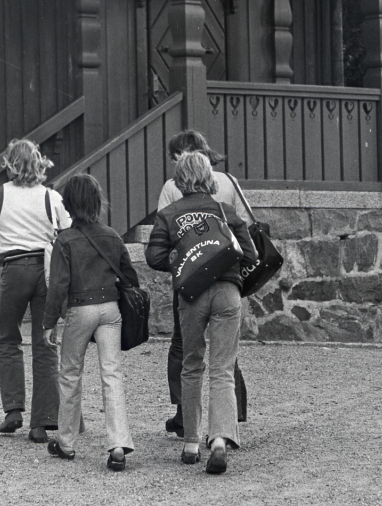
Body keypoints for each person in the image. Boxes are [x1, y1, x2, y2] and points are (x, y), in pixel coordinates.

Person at [146, 151, 257, 474]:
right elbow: (250, 254)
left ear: (179, 181)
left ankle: (191, 442)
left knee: (192, 364)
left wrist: (185, 259)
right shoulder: (225, 211)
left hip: (191, 293)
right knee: (223, 368)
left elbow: (154, 257)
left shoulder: (169, 214)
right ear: (209, 178)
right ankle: (219, 439)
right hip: (227, 291)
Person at [42, 174, 135, 471]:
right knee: (112, 374)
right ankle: (118, 445)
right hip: (110, 309)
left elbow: (58, 285)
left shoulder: (65, 240)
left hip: (80, 309)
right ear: (97, 202)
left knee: (70, 373)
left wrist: (49, 322)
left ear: (69, 204)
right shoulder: (112, 235)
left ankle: (66, 443)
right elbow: (130, 277)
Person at [0, 139, 71, 442]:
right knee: (45, 341)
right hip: (46, 268)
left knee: (7, 337)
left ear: (9, 164)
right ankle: (43, 421)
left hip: (14, 268)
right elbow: (67, 231)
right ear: (38, 163)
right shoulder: (51, 197)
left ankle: (13, 409)